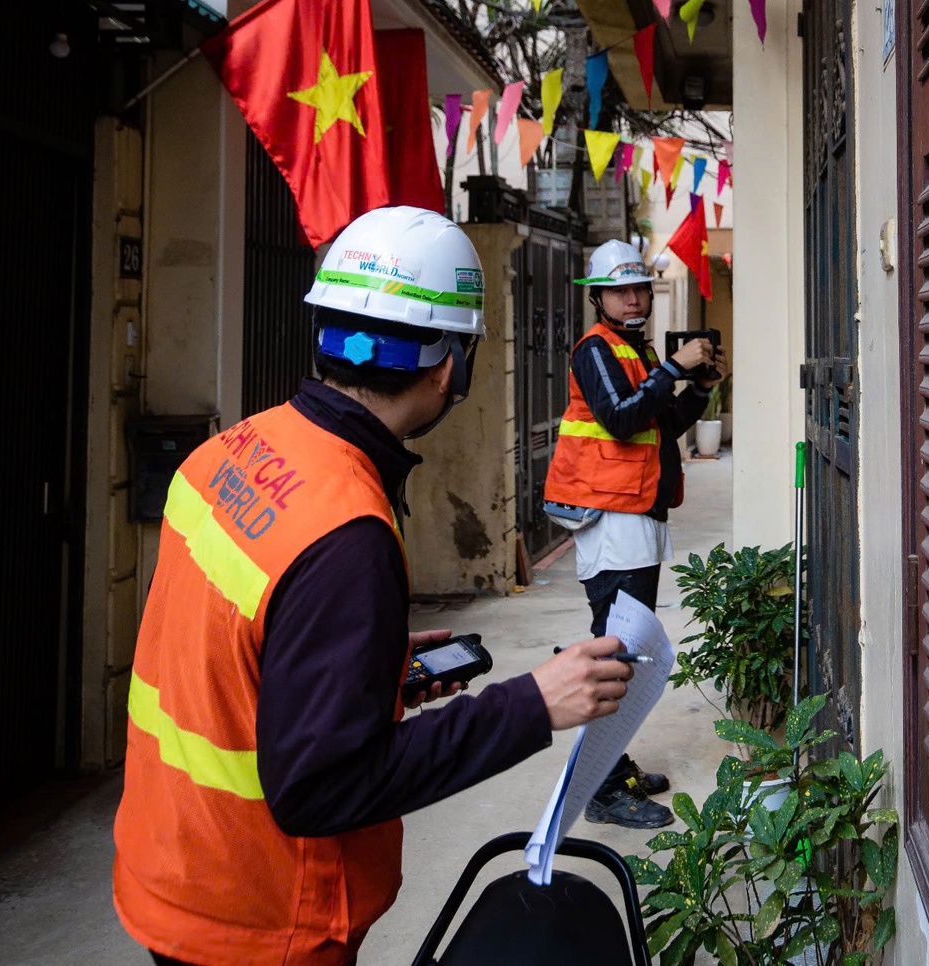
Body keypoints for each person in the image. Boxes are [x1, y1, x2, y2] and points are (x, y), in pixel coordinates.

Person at [113, 206, 635, 966]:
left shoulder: (229, 450)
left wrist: (365, 664)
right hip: (262, 919)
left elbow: (241, 654)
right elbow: (321, 788)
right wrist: (531, 704)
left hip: (175, 868)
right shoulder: (346, 534)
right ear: (451, 365)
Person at [543, 238, 721, 829]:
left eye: (640, 287)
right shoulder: (596, 349)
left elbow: (661, 422)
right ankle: (601, 788)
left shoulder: (632, 349)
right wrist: (674, 367)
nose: (634, 297)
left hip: (635, 513)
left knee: (628, 645)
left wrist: (699, 386)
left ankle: (612, 769)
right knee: (615, 649)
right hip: (612, 517)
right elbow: (621, 418)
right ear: (599, 298)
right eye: (621, 290)